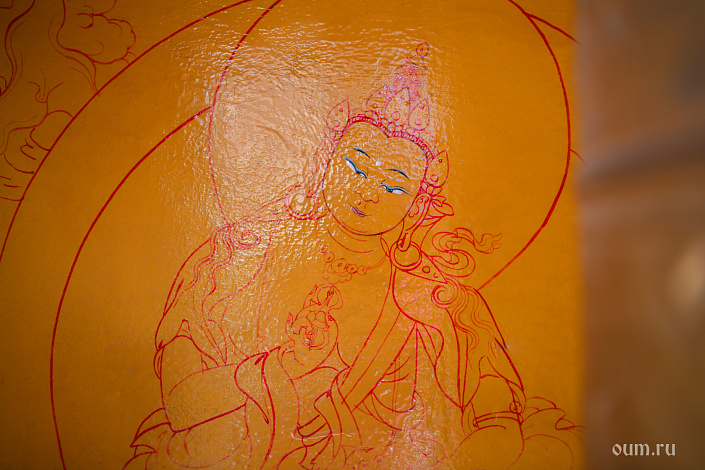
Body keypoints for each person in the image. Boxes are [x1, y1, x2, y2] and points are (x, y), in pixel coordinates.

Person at [126, 48, 580, 470]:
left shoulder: (440, 303)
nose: (368, 191)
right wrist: (280, 370)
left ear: (419, 204)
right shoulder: (235, 261)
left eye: (395, 184)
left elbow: (494, 412)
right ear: (325, 161)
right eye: (356, 165)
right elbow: (181, 402)